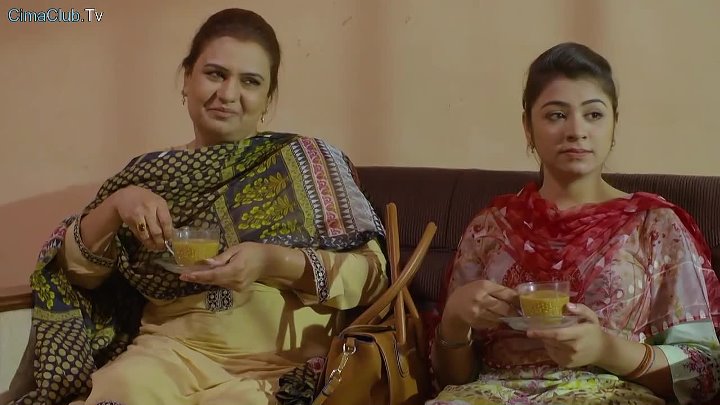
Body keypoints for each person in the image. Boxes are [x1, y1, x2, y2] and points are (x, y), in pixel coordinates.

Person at [3, 8, 387, 405]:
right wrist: (118, 204)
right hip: (170, 355)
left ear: (267, 99)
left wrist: (270, 261)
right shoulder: (149, 175)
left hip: (275, 366)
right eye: (215, 74)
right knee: (118, 390)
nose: (228, 94)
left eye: (250, 81)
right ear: (187, 79)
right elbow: (74, 275)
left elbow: (373, 275)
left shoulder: (305, 160)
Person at [428, 42, 720, 405]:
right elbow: (449, 380)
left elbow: (705, 372)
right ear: (527, 127)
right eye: (556, 115)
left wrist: (607, 350)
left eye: (594, 114)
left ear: (614, 124)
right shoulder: (490, 228)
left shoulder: (653, 227)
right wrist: (455, 320)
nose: (576, 130)